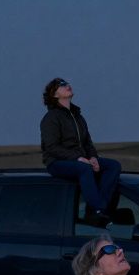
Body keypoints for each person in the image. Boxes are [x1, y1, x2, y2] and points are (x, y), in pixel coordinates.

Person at [40, 78, 121, 222]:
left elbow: (88, 143)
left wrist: (93, 158)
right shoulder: (51, 118)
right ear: (54, 95)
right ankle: (98, 209)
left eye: (67, 83)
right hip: (57, 163)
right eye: (62, 85)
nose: (67, 86)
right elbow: (51, 147)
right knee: (84, 169)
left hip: (82, 160)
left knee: (113, 166)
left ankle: (96, 208)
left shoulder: (78, 117)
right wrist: (77, 158)